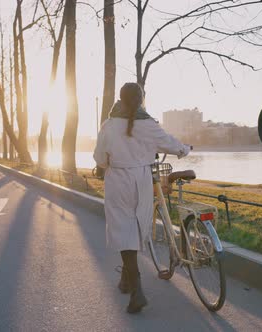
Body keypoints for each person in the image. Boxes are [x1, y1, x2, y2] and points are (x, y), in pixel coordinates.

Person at [93, 82, 190, 314]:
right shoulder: (149, 123)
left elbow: (99, 157)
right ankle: (127, 281)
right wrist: (185, 149)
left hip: (117, 179)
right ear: (141, 99)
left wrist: (106, 164)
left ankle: (136, 289)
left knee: (122, 229)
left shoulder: (109, 125)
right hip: (143, 179)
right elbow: (171, 143)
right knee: (136, 227)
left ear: (120, 99)